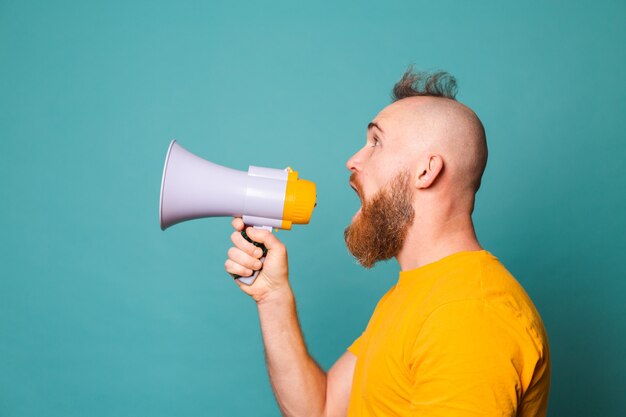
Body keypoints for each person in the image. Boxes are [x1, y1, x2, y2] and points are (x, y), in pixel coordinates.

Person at [224, 68, 551, 416]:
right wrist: (272, 297)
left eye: (376, 142)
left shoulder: (468, 313)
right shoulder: (414, 296)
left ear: (426, 171)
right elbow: (321, 410)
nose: (353, 160)